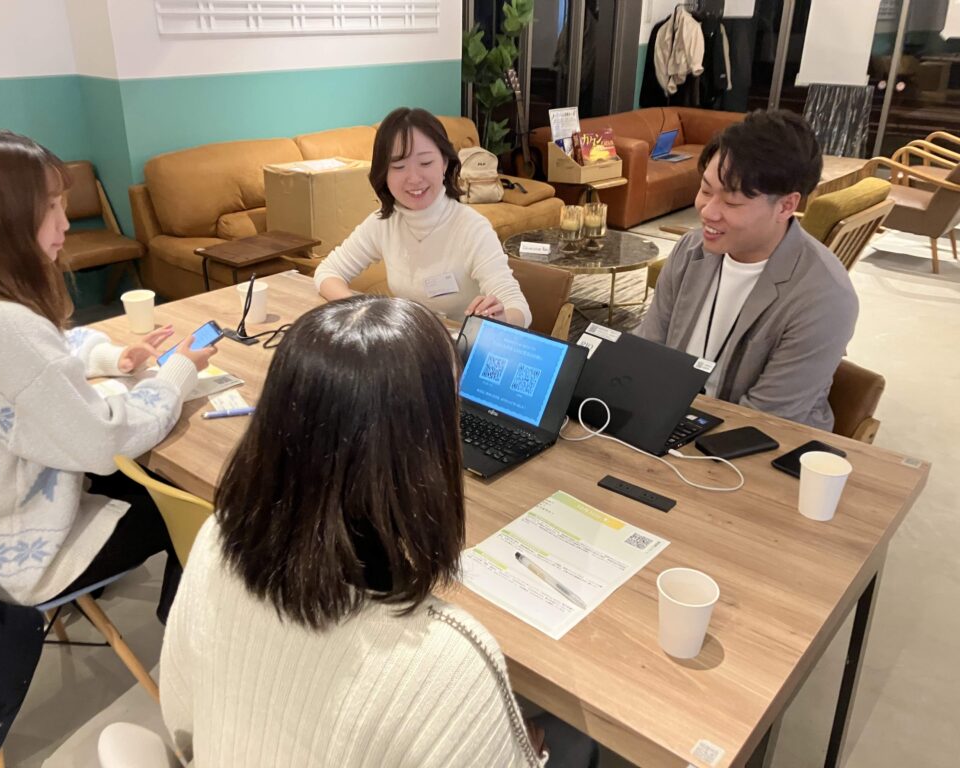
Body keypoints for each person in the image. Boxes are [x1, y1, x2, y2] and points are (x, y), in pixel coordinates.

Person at [160, 296, 597, 767]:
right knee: (576, 743)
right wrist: (525, 747)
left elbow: (179, 717)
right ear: (428, 450)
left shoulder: (215, 540)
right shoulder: (450, 658)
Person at [0, 129, 216, 616]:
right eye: (50, 207)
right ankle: (184, 637)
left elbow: (51, 350)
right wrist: (178, 373)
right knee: (195, 507)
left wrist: (112, 358)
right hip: (12, 556)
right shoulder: (3, 325)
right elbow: (104, 442)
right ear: (1, 217)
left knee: (142, 474)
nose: (64, 224)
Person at [636, 110, 859, 430]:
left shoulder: (824, 296)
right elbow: (647, 350)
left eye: (732, 203)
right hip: (667, 418)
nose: (708, 212)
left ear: (786, 205)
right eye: (706, 190)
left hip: (757, 443)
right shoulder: (691, 250)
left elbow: (767, 419)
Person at [313, 107, 532, 328]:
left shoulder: (472, 228)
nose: (414, 178)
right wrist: (362, 311)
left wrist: (503, 318)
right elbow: (328, 272)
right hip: (410, 340)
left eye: (425, 163)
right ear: (384, 173)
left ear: (444, 163)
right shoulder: (384, 223)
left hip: (460, 344)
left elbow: (519, 308)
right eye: (398, 166)